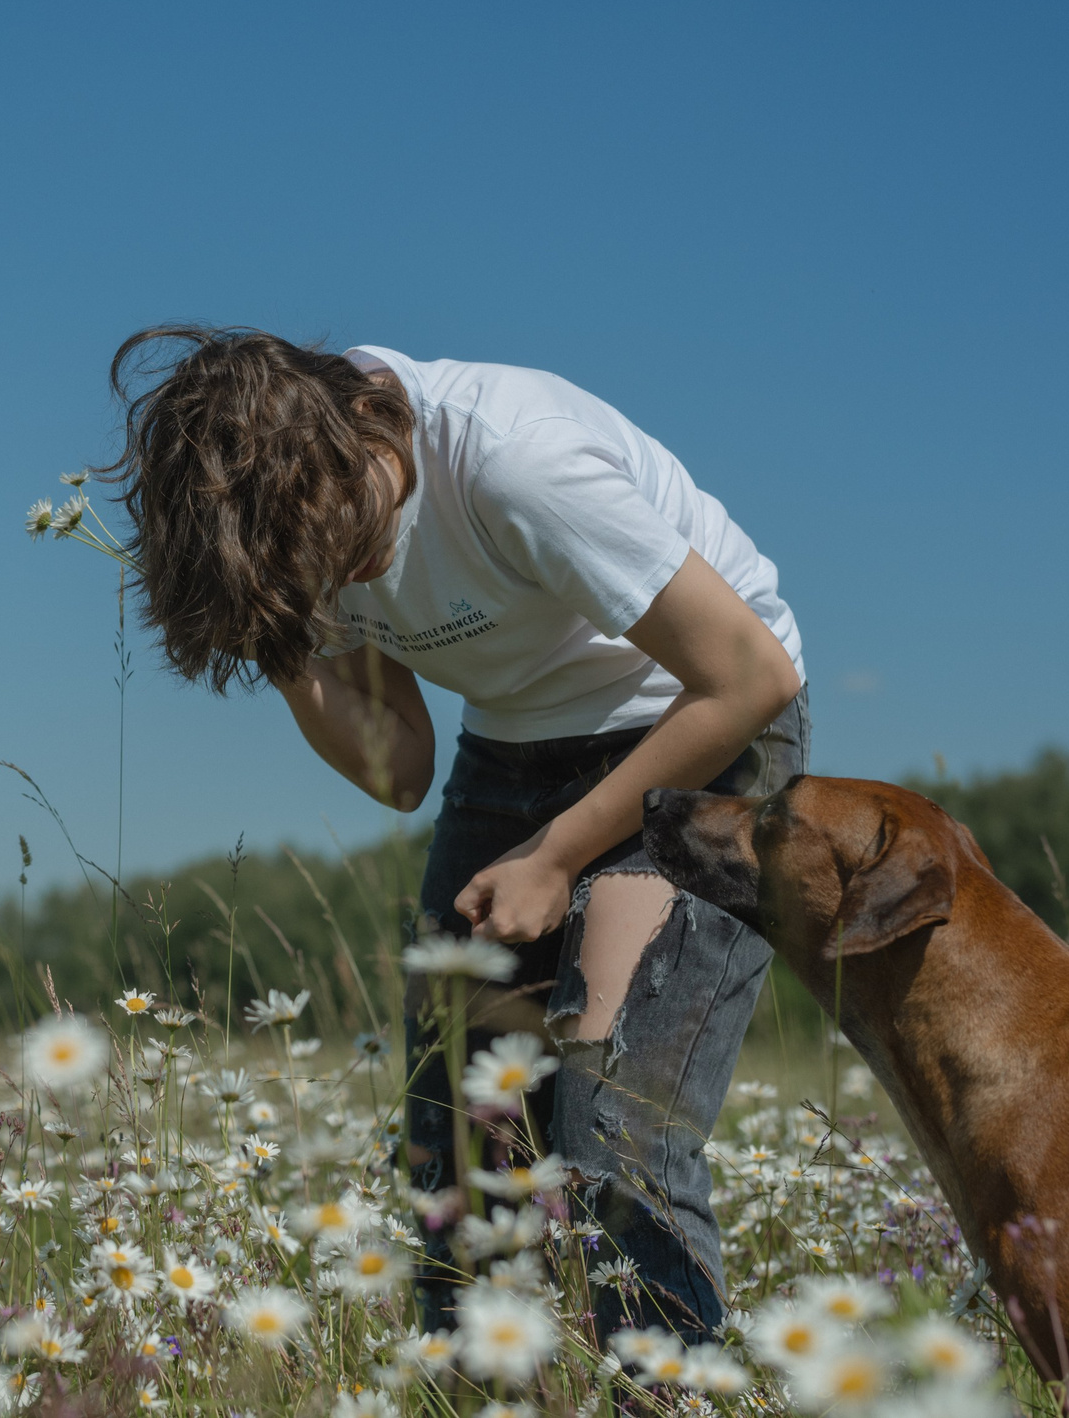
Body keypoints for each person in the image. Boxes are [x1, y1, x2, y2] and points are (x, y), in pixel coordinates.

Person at [101, 325, 806, 1343]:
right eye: (319, 573)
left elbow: (748, 676)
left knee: (611, 1128)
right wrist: (277, 627)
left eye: (348, 544)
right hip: (512, 749)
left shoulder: (514, 461)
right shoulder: (292, 524)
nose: (360, 571)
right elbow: (399, 764)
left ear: (358, 427)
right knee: (461, 1153)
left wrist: (558, 854)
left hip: (695, 725)